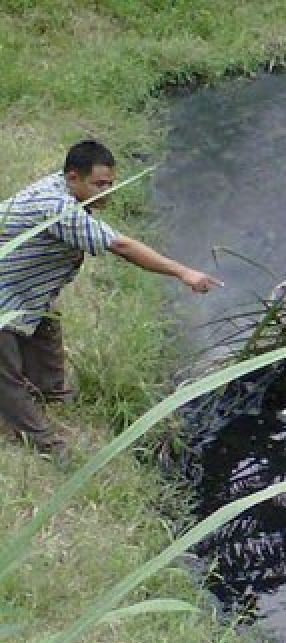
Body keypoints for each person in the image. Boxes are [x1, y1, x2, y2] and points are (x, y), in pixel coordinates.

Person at [0, 139, 221, 457]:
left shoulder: (65, 190)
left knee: (46, 332)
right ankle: (47, 446)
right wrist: (183, 273)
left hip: (28, 294)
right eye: (99, 184)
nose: (108, 192)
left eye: (110, 184)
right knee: (6, 377)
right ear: (73, 177)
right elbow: (121, 246)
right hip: (5, 298)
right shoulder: (56, 208)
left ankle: (52, 395)